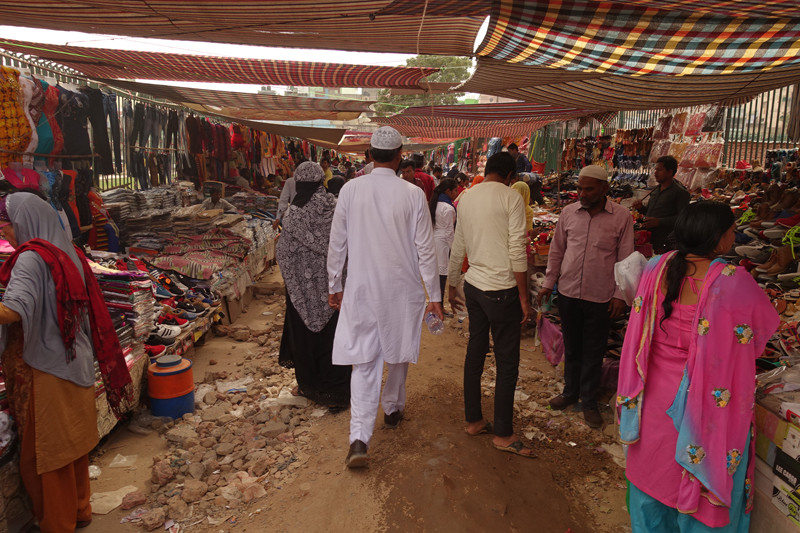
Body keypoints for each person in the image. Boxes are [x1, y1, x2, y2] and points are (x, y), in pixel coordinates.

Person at [619, 202, 779, 532]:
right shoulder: (734, 282)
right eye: (732, 231)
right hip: (703, 413)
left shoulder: (655, 268)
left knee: (652, 485)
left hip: (652, 403)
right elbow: (760, 337)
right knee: (696, 493)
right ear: (718, 238)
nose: (734, 237)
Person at [0, 192, 132, 532]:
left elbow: (12, 311)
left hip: (46, 365)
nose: (8, 232)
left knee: (47, 453)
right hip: (75, 358)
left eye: (9, 224)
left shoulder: (32, 258)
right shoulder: (68, 251)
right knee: (72, 445)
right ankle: (80, 509)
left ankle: (56, 523)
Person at [327, 126, 443, 468]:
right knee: (398, 353)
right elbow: (426, 248)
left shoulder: (350, 190)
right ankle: (392, 409)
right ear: (399, 155)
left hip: (362, 288)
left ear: (368, 154)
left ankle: (359, 439)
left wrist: (335, 284)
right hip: (402, 290)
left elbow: (338, 243)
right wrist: (433, 294)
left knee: (363, 363)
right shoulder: (412, 194)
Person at [447, 152, 534, 458]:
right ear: (511, 174)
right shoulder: (511, 198)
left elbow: (459, 243)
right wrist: (525, 298)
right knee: (507, 362)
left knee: (475, 351)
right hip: (501, 289)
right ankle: (504, 434)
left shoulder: (468, 196)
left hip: (474, 286)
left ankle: (473, 420)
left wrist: (452, 283)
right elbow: (517, 251)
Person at [537, 165, 634, 428]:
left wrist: (619, 295)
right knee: (573, 346)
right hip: (568, 292)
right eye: (580, 188)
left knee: (594, 351)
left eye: (588, 189)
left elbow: (626, 260)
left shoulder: (622, 217)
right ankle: (570, 393)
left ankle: (589, 402)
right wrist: (548, 283)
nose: (582, 193)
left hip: (601, 297)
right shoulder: (568, 213)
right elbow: (556, 251)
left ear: (604, 189)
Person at [277, 162, 350, 408]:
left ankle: (310, 386)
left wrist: (299, 280)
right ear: (322, 182)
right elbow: (347, 247)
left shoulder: (294, 214)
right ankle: (337, 392)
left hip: (302, 291)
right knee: (333, 336)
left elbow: (284, 252)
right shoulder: (336, 209)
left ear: (298, 183)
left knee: (305, 336)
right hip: (334, 288)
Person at [633, 155, 690, 254]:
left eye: (659, 170)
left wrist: (659, 222)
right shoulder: (656, 190)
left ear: (670, 172)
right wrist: (641, 208)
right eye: (656, 170)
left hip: (666, 242)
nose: (655, 173)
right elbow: (651, 212)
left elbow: (684, 218)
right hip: (651, 239)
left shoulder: (679, 192)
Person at [429, 178, 458, 298]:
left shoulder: (435, 203)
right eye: (455, 190)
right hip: (443, 244)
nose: (457, 193)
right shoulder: (448, 208)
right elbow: (449, 232)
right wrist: (455, 250)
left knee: (435, 277)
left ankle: (436, 303)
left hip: (434, 241)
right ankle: (439, 306)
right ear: (448, 191)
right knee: (441, 277)